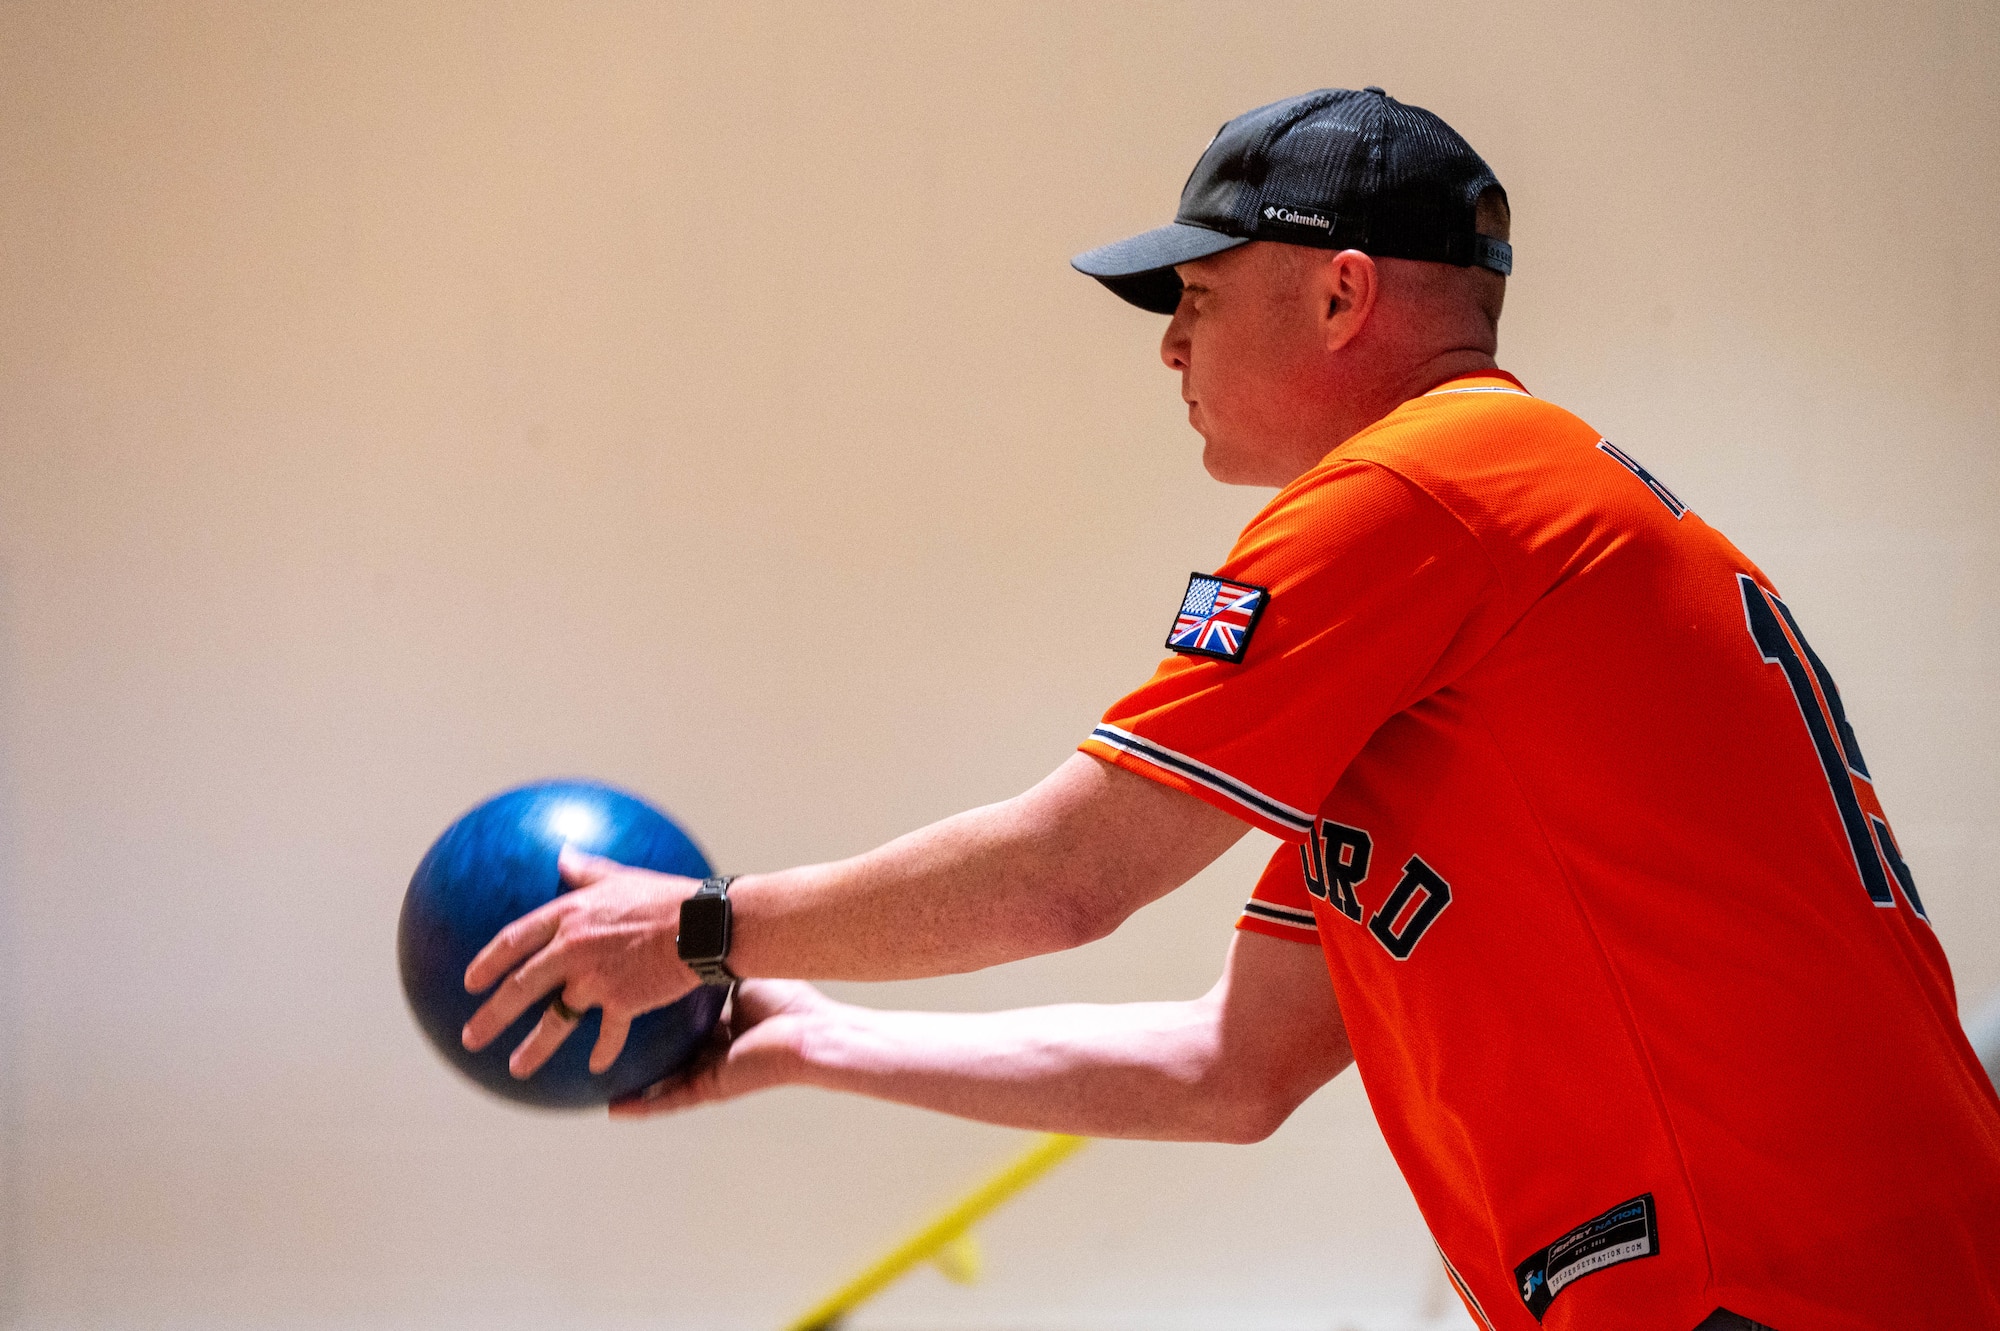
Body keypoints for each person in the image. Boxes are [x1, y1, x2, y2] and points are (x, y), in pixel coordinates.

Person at [460, 89, 2000, 1330]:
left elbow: (1066, 875)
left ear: (1343, 295)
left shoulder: (1421, 486)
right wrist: (817, 1042)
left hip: (1774, 1284)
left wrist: (700, 929)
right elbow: (1232, 1069)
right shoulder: (1476, 593)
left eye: (1196, 293)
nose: (1170, 344)